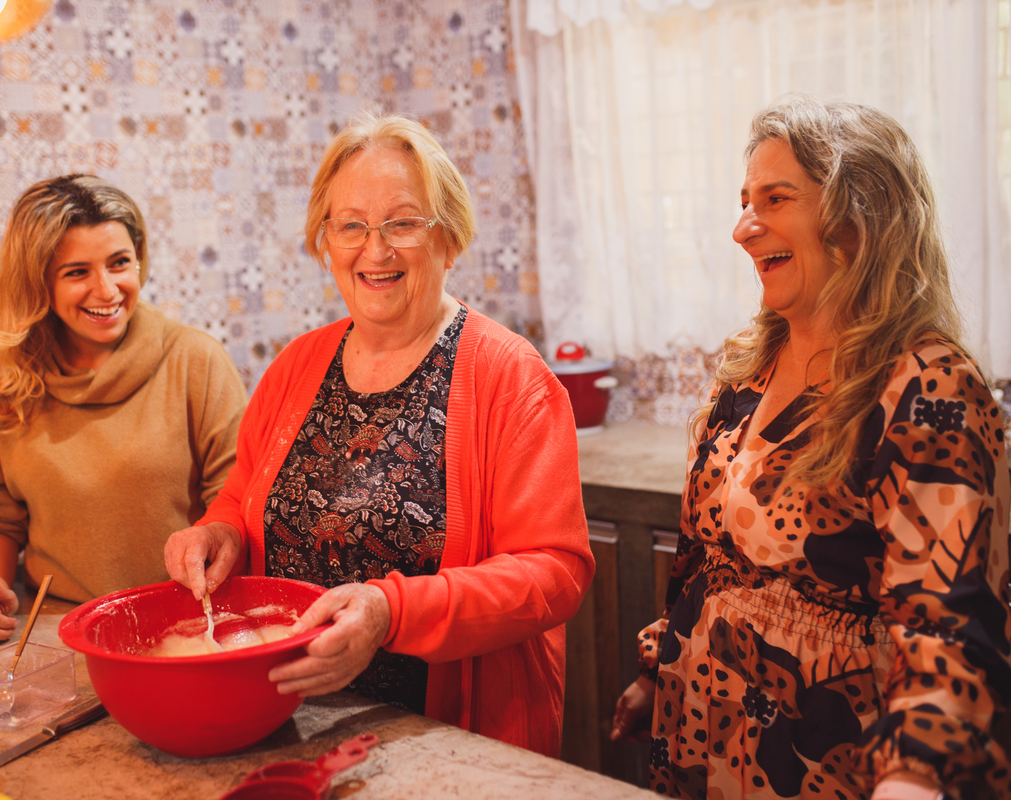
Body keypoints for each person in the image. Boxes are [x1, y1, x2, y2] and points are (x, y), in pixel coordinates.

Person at [610, 95, 1011, 800]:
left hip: (832, 758)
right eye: (744, 202)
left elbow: (949, 626)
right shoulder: (750, 366)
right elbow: (706, 558)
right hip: (702, 729)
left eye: (775, 198)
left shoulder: (929, 388)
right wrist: (656, 668)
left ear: (861, 217)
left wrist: (914, 776)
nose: (742, 228)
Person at [164, 111, 594, 757]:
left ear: (449, 238)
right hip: (289, 726)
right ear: (326, 243)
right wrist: (218, 533)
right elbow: (240, 498)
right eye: (351, 226)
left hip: (448, 742)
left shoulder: (512, 378)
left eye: (403, 223)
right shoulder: (295, 366)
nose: (376, 250)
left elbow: (554, 572)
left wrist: (391, 613)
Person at [0, 174, 247, 648]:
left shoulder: (196, 360)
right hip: (60, 628)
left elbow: (237, 498)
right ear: (37, 281)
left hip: (187, 624)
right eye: (77, 272)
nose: (107, 290)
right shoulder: (1, 372)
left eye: (119, 263)